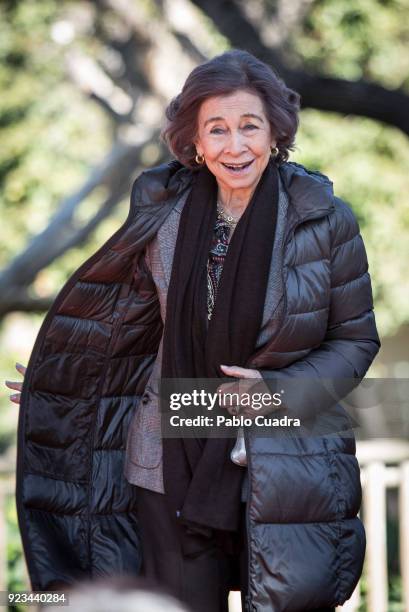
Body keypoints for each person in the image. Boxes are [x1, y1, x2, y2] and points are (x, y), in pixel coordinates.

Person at [6, 49, 380, 612]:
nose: (236, 146)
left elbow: (355, 340)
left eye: (250, 126)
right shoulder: (160, 210)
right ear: (195, 142)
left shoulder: (323, 219)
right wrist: (63, 376)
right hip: (165, 452)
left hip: (280, 460)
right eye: (217, 129)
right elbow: (123, 323)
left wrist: (275, 393)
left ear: (275, 133)